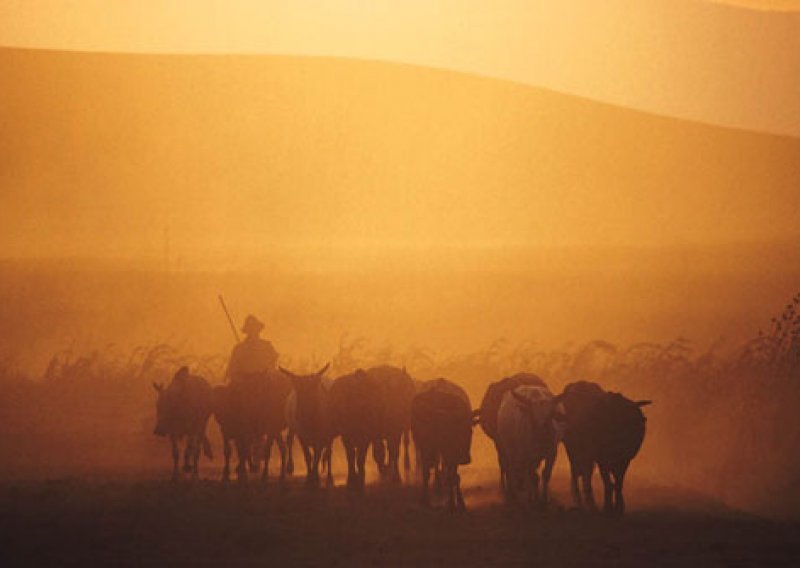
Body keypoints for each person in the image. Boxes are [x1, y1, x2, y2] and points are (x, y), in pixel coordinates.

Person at [225, 314, 279, 386]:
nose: (253, 332)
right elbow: (232, 370)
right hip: (244, 384)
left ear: (258, 330)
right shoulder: (239, 349)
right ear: (247, 331)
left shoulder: (266, 346)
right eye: (251, 329)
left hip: (264, 383)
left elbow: (273, 363)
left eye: (255, 329)